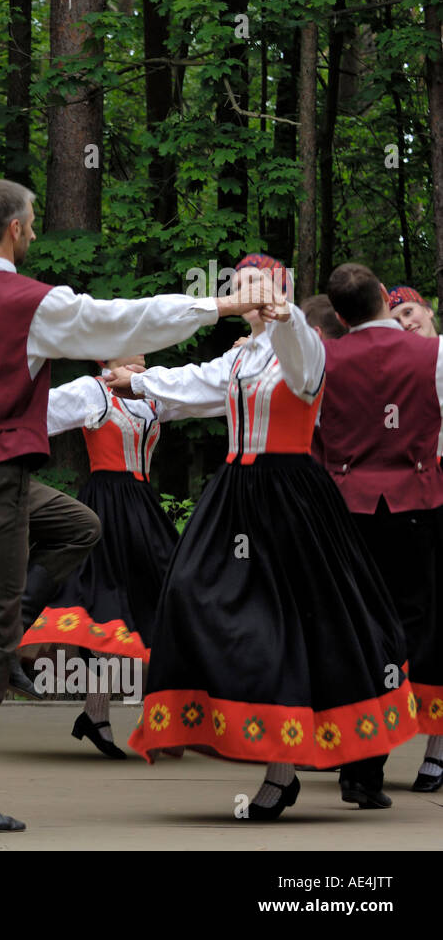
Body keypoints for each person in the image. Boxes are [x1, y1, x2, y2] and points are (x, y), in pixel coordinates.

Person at [0, 180, 275, 831]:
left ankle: (17, 624)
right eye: (32, 222)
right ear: (14, 229)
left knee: (80, 524)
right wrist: (224, 304)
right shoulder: (36, 304)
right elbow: (128, 318)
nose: (34, 231)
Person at [115, 256, 417, 819]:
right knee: (185, 592)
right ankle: (221, 722)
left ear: (282, 291)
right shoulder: (239, 356)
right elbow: (193, 386)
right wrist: (138, 380)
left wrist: (287, 317)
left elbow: (301, 353)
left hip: (290, 500)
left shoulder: (303, 348)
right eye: (243, 286)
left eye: (263, 285)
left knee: (293, 625)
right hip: (235, 495)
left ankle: (285, 774)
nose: (253, 294)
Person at [16, 358, 184, 758]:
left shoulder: (151, 391)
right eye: (130, 346)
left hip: (142, 505)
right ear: (105, 355)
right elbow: (42, 412)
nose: (141, 354)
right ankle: (101, 713)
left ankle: (155, 717)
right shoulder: (93, 391)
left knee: (168, 601)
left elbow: (204, 392)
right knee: (108, 606)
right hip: (106, 504)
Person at [318, 264, 443, 795]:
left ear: (342, 317)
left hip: (350, 509)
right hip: (419, 503)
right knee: (421, 628)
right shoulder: (434, 358)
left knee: (363, 626)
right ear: (380, 304)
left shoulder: (325, 358)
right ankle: (406, 751)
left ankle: (363, 761)